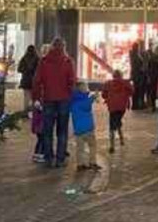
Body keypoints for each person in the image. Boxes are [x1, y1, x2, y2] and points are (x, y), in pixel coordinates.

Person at [32, 37, 76, 168]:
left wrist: (36, 97)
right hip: (64, 99)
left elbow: (36, 81)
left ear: (51, 47)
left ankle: (48, 158)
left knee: (47, 130)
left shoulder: (44, 61)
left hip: (48, 99)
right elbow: (72, 81)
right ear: (64, 47)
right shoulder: (68, 61)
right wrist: (69, 94)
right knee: (62, 131)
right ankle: (60, 159)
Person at [70, 81, 101, 172]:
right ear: (81, 89)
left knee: (80, 148)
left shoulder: (73, 100)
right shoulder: (83, 100)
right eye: (85, 87)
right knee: (92, 145)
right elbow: (86, 105)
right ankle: (92, 162)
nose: (87, 89)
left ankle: (80, 164)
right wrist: (93, 97)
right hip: (87, 129)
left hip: (78, 130)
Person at [102, 68, 134, 153]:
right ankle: (121, 139)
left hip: (112, 107)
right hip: (122, 107)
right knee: (118, 121)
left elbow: (103, 95)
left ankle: (112, 145)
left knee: (112, 125)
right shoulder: (126, 83)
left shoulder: (108, 83)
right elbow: (132, 92)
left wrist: (107, 97)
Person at [17, 44, 39, 110]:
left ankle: (26, 110)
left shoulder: (24, 58)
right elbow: (39, 70)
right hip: (34, 80)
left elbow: (19, 69)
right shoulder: (37, 58)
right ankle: (33, 110)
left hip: (25, 80)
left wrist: (25, 70)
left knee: (26, 96)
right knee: (33, 96)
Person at [146, 44, 158, 112]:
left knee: (156, 92)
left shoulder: (153, 58)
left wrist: (149, 76)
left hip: (155, 77)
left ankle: (155, 106)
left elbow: (149, 68)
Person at [128, 42, 146, 110]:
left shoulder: (136, 54)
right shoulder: (134, 54)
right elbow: (136, 65)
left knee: (138, 90)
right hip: (137, 74)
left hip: (137, 74)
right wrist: (141, 68)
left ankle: (137, 104)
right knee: (136, 90)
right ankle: (135, 105)